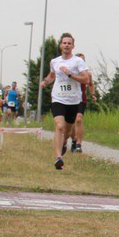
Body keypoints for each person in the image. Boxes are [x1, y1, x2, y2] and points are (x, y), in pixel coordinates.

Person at [41, 33, 89, 170]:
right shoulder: (55, 61)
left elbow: (86, 79)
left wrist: (70, 74)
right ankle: (58, 158)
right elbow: (52, 75)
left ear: (73, 46)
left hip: (73, 100)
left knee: (67, 131)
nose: (66, 45)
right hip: (58, 98)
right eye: (64, 43)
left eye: (69, 43)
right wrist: (45, 82)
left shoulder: (78, 62)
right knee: (59, 126)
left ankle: (64, 143)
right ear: (60, 45)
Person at [69, 52, 95, 153]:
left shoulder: (87, 74)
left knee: (78, 119)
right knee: (71, 123)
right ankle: (74, 140)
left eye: (83, 60)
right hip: (70, 99)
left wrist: (92, 95)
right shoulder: (70, 73)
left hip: (81, 99)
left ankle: (79, 144)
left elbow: (91, 84)